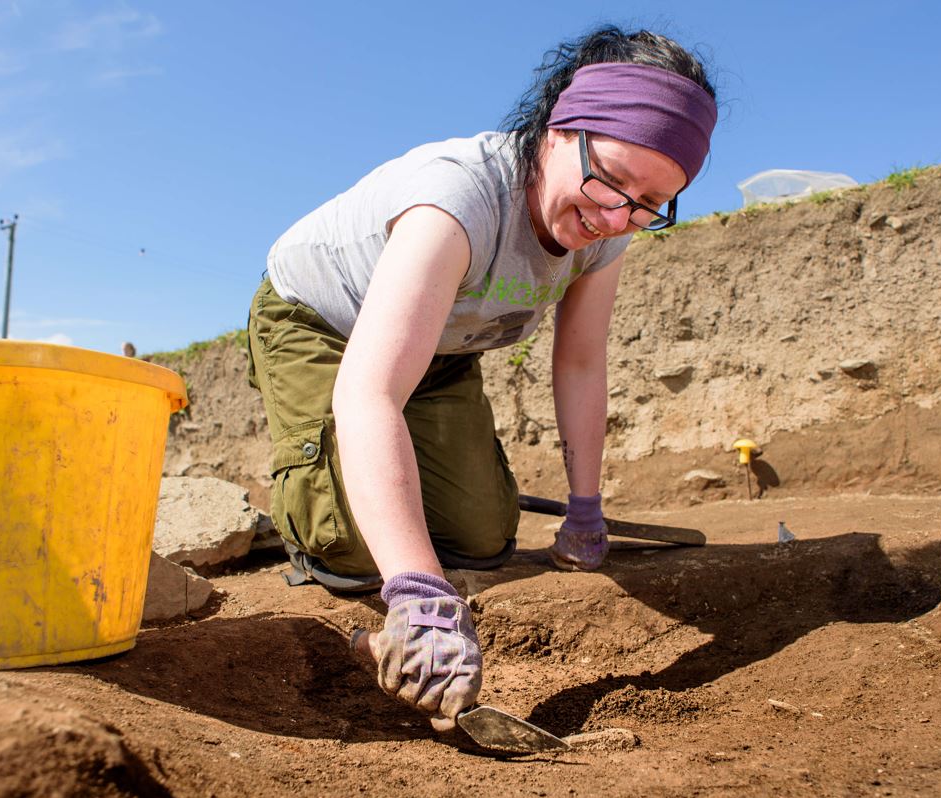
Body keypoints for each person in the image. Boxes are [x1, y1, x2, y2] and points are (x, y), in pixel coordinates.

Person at [246, 26, 717, 731]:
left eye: (651, 202)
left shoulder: (612, 230)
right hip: (323, 327)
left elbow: (582, 361)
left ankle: (407, 486)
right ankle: (298, 509)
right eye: (611, 178)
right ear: (558, 129)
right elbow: (369, 391)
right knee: (350, 552)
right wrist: (419, 598)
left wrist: (585, 506)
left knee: (483, 537)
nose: (618, 215)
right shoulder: (455, 199)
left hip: (440, 350)